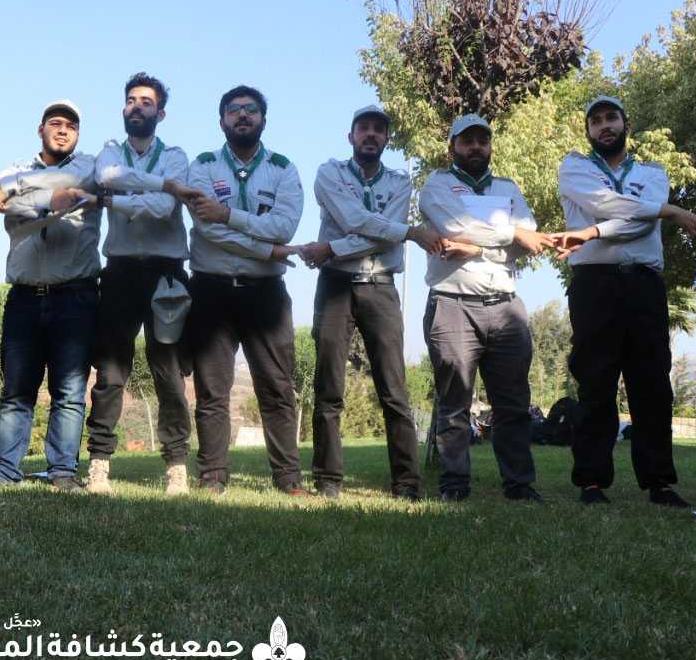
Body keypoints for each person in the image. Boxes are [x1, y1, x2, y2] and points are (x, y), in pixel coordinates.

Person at [554, 95, 696, 507]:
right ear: (588, 131)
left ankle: (659, 483)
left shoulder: (652, 173)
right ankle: (591, 482)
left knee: (652, 384)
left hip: (644, 284)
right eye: (595, 121)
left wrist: (598, 230)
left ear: (625, 125)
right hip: (594, 284)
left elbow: (639, 224)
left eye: (611, 118)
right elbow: (605, 205)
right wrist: (666, 211)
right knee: (595, 381)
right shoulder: (574, 167)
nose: (604, 126)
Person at [291, 104, 444, 500]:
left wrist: (332, 247)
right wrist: (408, 231)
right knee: (329, 386)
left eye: (379, 129)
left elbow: (383, 236)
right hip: (335, 286)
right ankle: (328, 480)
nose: (371, 134)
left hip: (381, 286)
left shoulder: (400, 181)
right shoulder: (329, 173)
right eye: (364, 128)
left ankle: (407, 483)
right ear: (351, 136)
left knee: (394, 388)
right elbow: (359, 222)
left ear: (387, 139)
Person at [174, 85, 304, 495]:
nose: (243, 115)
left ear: (264, 119)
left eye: (251, 110)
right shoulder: (203, 165)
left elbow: (285, 228)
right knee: (212, 390)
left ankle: (288, 478)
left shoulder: (283, 168)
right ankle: (213, 474)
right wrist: (267, 249)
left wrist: (229, 214)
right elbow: (205, 228)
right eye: (234, 110)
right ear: (222, 121)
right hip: (211, 291)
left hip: (266, 294)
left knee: (277, 388)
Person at [419, 114, 553, 502]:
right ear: (452, 147)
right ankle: (454, 485)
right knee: (455, 403)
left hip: (506, 307)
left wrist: (476, 247)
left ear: (491, 146)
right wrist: (510, 234)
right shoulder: (437, 184)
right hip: (453, 304)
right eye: (467, 140)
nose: (476, 146)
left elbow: (531, 241)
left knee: (513, 404)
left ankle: (519, 485)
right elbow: (454, 226)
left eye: (483, 140)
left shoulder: (507, 187)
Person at [0, 100, 101, 490]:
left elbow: (75, 192)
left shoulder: (90, 168)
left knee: (69, 391)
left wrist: (25, 192)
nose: (63, 130)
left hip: (75, 296)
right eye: (55, 123)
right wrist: (47, 197)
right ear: (41, 130)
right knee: (17, 390)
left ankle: (63, 472)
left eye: (71, 126)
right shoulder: (16, 169)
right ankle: (4, 472)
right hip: (25, 297)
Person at [84, 73, 193, 495]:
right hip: (120, 271)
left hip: (166, 273)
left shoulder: (176, 156)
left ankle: (176, 465)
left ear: (160, 114)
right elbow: (107, 176)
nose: (137, 106)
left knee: (168, 372)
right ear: (123, 109)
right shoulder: (111, 150)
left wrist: (116, 200)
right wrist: (158, 186)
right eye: (131, 100)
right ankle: (99, 463)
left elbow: (165, 208)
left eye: (146, 102)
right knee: (111, 371)